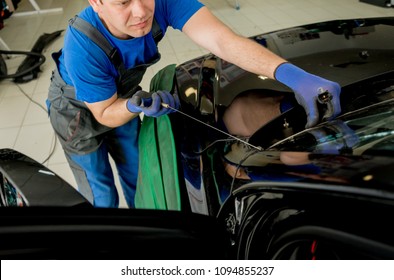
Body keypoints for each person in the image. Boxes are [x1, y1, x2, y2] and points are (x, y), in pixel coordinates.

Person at [46, 0, 341, 208]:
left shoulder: (160, 2)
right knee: (102, 194)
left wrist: (291, 75)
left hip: (121, 97)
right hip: (77, 113)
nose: (140, 12)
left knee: (139, 176)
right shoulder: (82, 46)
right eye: (123, 2)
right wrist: (133, 108)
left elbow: (224, 41)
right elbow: (105, 113)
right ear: (96, 2)